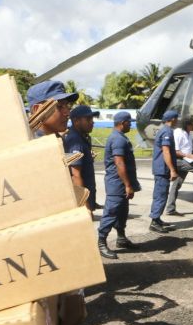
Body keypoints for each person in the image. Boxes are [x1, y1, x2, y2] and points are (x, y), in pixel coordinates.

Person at [98, 111, 140, 259]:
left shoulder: (119, 137)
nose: (131, 125)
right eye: (130, 122)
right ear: (123, 123)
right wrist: (128, 185)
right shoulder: (118, 139)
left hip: (121, 183)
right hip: (117, 184)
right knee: (111, 213)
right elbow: (119, 163)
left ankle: (121, 238)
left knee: (122, 212)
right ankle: (101, 243)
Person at [164, 114, 193, 215]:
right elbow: (174, 151)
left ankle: (170, 209)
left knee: (177, 184)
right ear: (188, 124)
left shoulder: (188, 134)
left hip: (185, 160)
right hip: (178, 160)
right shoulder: (178, 133)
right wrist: (189, 156)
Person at [63, 104, 99, 211]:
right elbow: (75, 175)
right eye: (88, 119)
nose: (92, 122)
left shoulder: (81, 138)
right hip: (82, 201)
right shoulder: (75, 142)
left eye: (92, 118)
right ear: (76, 121)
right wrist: (85, 206)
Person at [148, 110, 179, 233]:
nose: (178, 120)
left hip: (160, 168)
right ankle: (154, 221)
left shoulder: (164, 130)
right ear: (172, 119)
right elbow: (166, 151)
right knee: (161, 195)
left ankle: (157, 218)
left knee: (160, 194)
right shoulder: (167, 131)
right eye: (176, 118)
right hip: (162, 169)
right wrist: (172, 170)